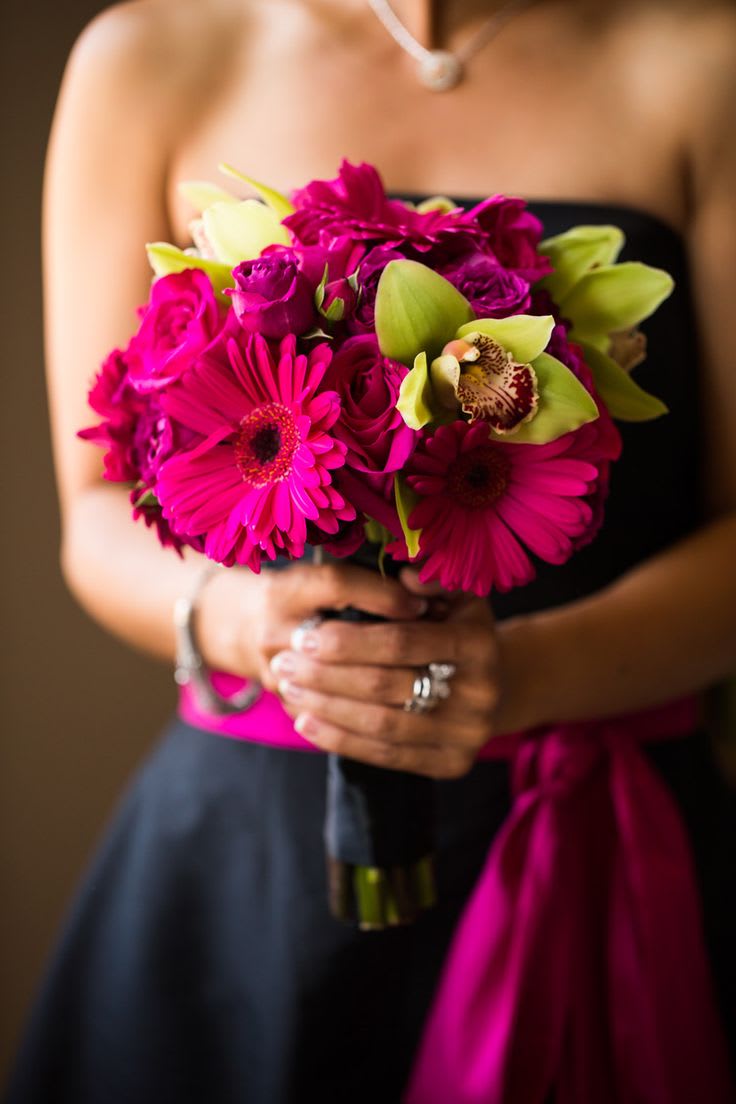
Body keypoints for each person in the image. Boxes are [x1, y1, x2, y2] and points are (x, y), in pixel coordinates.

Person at [6, 0, 736, 1101]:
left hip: (602, 836)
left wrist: (521, 678)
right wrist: (250, 623)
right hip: (249, 851)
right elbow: (97, 510)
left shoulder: (705, 62)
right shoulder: (148, 55)